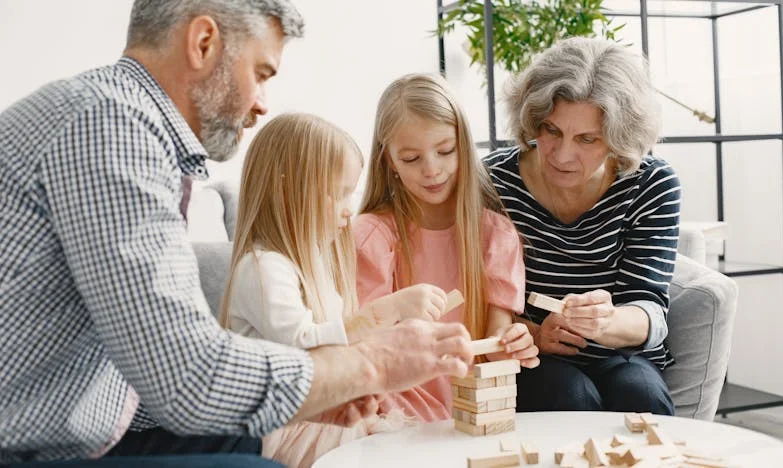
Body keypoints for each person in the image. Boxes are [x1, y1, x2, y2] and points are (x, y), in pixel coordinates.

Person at [0, 2, 473, 466]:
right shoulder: (111, 129)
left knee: (267, 443)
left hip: (94, 430)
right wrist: (369, 365)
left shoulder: (116, 120)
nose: (262, 103)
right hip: (28, 449)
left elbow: (148, 370)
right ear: (203, 42)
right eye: (262, 73)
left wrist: (308, 393)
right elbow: (185, 377)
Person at [220, 112, 432, 467]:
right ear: (289, 193)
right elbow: (306, 348)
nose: (350, 212)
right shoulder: (262, 268)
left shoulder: (311, 262)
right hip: (287, 428)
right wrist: (386, 312)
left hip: (320, 416)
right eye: (339, 195)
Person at [485, 37, 681, 415]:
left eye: (587, 139)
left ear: (618, 139)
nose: (561, 155)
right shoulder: (494, 181)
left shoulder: (650, 184)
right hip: (536, 356)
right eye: (551, 131)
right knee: (568, 393)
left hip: (622, 353)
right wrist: (537, 334)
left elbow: (651, 316)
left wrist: (605, 321)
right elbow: (485, 305)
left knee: (640, 394)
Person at [353, 73, 541, 422]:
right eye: (411, 158)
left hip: (471, 412)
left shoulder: (495, 235)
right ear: (389, 161)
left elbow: (495, 340)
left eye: (445, 151)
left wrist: (513, 344)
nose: (431, 170)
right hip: (392, 416)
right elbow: (365, 345)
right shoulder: (371, 236)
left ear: (464, 147)